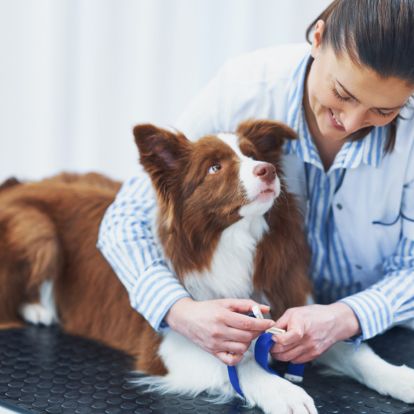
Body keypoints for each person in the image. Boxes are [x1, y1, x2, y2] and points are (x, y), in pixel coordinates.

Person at [97, 0, 414, 367]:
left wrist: (346, 317)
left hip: (387, 332)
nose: (352, 121)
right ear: (317, 37)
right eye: (343, 93)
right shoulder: (244, 87)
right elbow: (123, 222)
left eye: (384, 111)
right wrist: (179, 309)